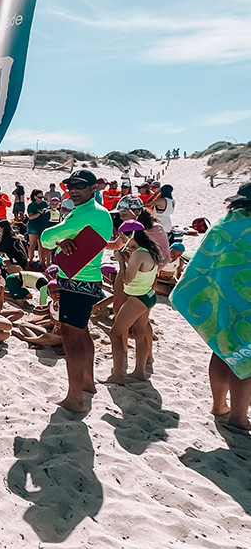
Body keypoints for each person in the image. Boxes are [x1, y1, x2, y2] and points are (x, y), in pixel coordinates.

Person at [171, 183, 251, 433]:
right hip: (246, 299)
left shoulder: (223, 223)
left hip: (219, 294)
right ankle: (238, 417)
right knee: (247, 357)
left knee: (223, 346)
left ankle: (218, 405)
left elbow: (202, 262)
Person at [39, 170, 114, 414]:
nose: (73, 189)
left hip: (76, 282)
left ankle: (74, 399)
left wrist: (58, 237)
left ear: (94, 188)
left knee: (71, 339)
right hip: (88, 280)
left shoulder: (88, 213)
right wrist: (62, 239)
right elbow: (54, 240)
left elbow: (45, 237)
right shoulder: (88, 213)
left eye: (80, 185)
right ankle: (87, 384)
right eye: (70, 185)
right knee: (82, 335)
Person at [102, 222, 161, 384]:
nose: (120, 240)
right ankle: (139, 372)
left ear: (131, 235)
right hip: (148, 296)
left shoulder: (138, 254)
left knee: (115, 333)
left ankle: (118, 375)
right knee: (140, 333)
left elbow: (127, 279)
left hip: (137, 298)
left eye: (122, 237)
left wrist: (120, 261)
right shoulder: (149, 251)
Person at [26, 189, 50, 266]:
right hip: (33, 226)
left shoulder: (44, 204)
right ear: (34, 197)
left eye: (42, 197)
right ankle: (30, 260)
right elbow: (30, 217)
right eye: (39, 197)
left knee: (41, 244)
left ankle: (42, 262)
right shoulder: (31, 206)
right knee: (32, 244)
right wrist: (40, 213)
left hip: (42, 225)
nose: (41, 199)